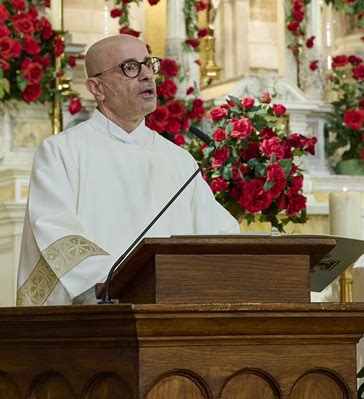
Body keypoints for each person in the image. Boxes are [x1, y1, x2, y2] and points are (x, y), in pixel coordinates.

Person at [17, 34, 239, 306]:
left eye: (148, 64)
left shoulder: (179, 160)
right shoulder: (61, 152)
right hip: (97, 320)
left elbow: (219, 235)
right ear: (97, 88)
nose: (147, 75)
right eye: (130, 67)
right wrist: (131, 283)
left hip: (172, 314)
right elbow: (58, 236)